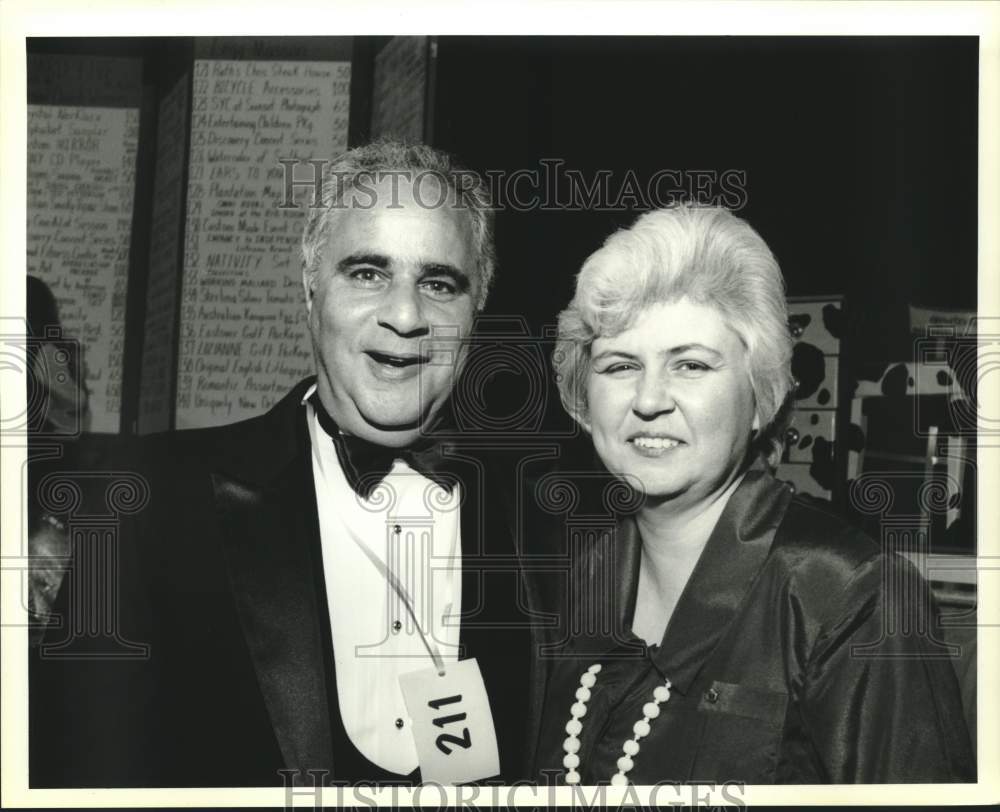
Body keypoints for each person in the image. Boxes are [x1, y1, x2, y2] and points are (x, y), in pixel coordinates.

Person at [30, 141, 539, 787]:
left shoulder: (534, 523)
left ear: (477, 309)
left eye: (439, 284)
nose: (406, 315)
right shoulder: (146, 503)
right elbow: (81, 776)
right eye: (367, 273)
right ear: (310, 287)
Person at [529, 204, 974, 784]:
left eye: (690, 364)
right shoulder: (582, 577)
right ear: (583, 398)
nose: (649, 399)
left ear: (761, 397)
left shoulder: (858, 598)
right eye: (619, 365)